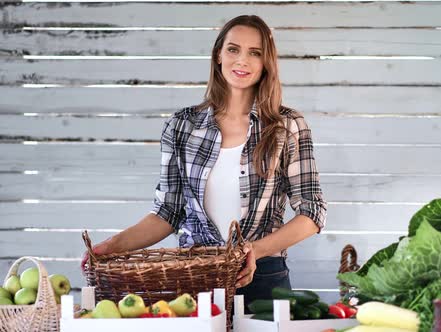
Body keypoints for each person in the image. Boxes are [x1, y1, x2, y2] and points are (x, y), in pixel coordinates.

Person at [81, 15, 327, 306]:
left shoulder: (287, 126)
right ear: (219, 55)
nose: (242, 61)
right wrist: (111, 246)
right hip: (195, 280)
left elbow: (312, 213)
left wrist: (254, 251)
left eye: (255, 53)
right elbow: (167, 213)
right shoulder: (182, 125)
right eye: (233, 49)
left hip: (263, 278)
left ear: (266, 63)